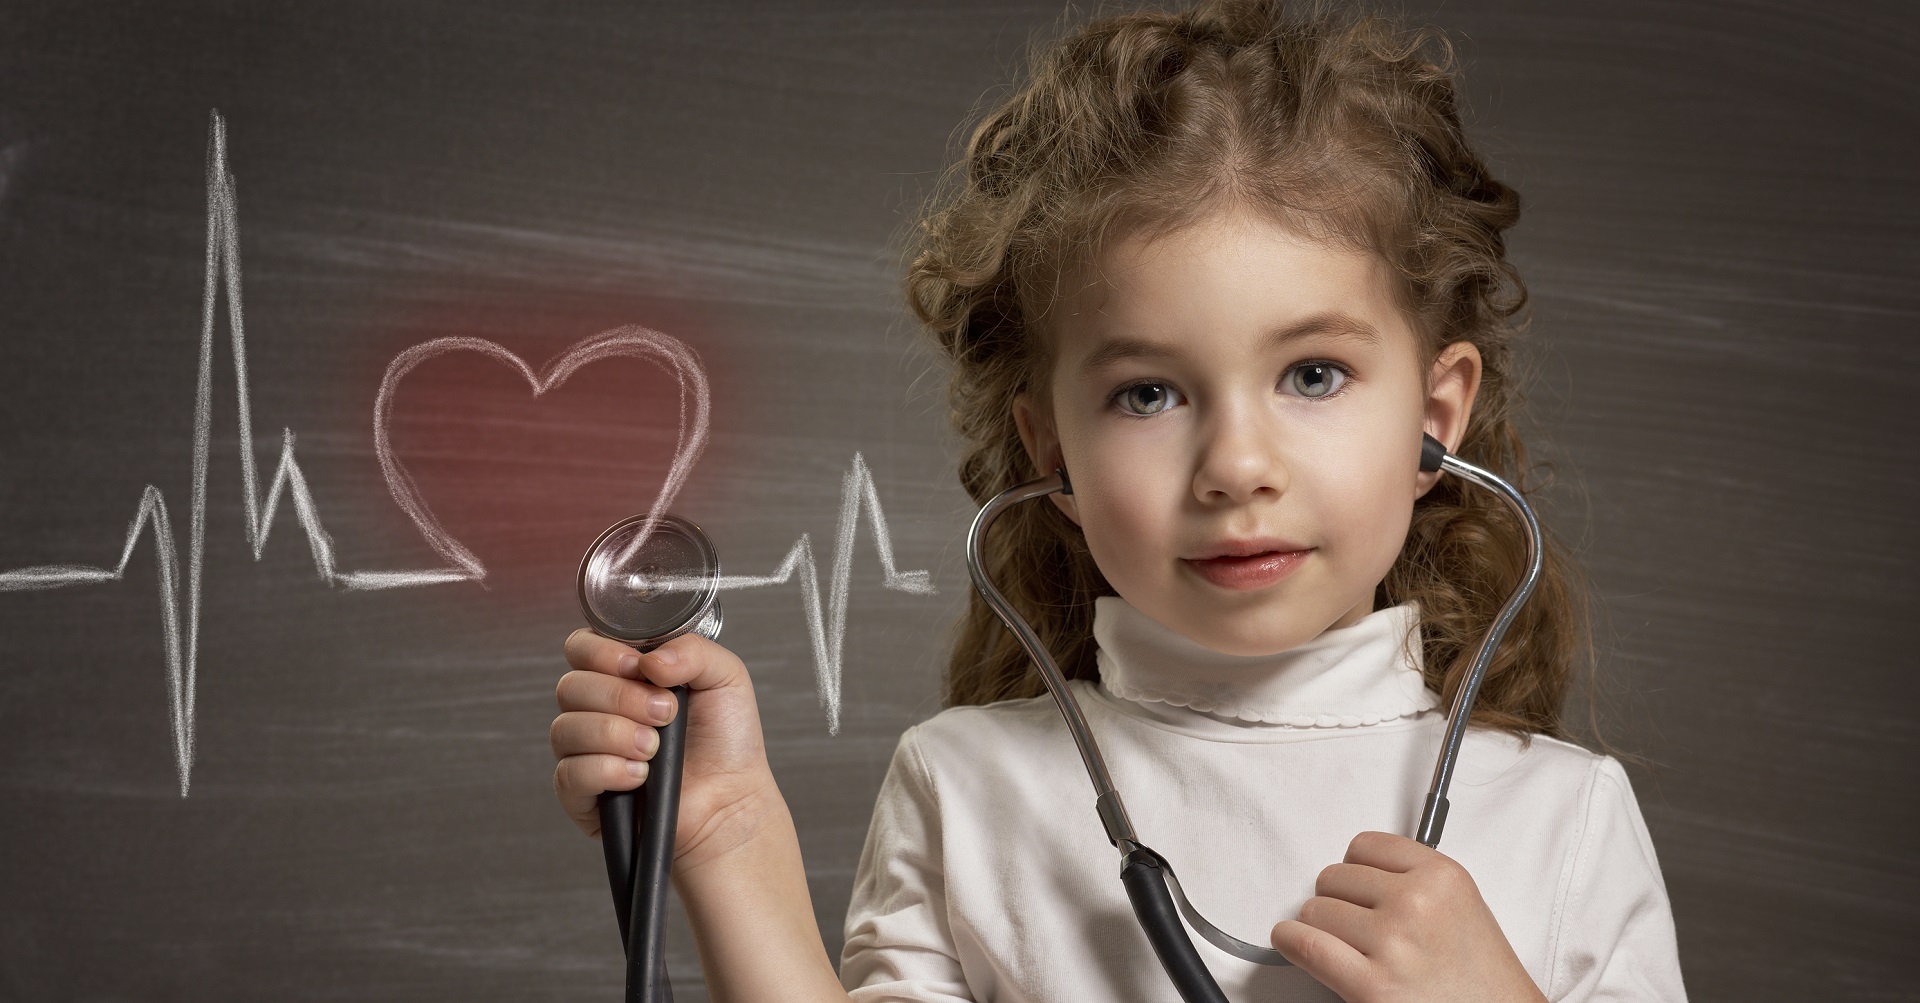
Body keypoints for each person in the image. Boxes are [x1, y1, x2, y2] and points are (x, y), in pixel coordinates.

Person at [549, 0, 1686, 999]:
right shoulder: (968, 790)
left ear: (1435, 418)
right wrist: (726, 838)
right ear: (1056, 456)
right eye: (1148, 393)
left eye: (1313, 375)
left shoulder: (1565, 820)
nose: (1237, 464)